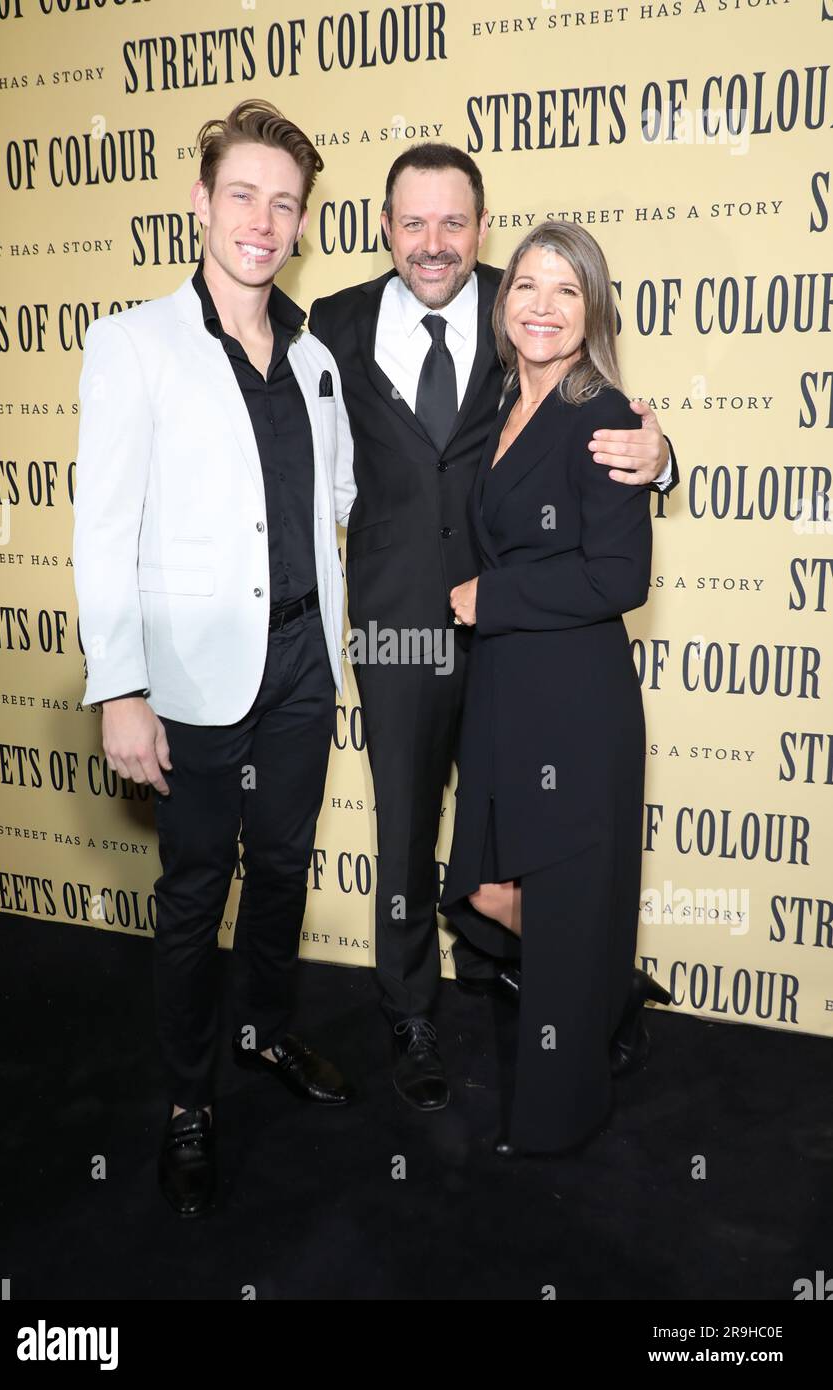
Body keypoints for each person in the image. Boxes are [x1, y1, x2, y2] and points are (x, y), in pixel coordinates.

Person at [308, 145, 677, 1112]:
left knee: (528, 821)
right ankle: (412, 1007)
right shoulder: (332, 324)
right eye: (413, 222)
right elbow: (305, 474)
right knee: (407, 822)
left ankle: (554, 981)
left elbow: (594, 423)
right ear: (384, 225)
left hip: (518, 630)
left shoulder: (518, 312)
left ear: (482, 230)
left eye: (455, 223)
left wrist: (664, 454)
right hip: (400, 623)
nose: (434, 244)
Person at [72, 100, 357, 1218]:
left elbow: (330, 503)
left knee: (281, 870)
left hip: (297, 664)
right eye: (242, 193)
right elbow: (104, 527)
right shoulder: (132, 342)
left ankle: (265, 1035)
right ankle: (189, 1102)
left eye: (284, 203)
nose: (262, 219)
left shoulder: (318, 359)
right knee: (197, 890)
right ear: (200, 201)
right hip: (188, 676)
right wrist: (120, 688)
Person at [441, 220, 672, 1157]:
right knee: (492, 888)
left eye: (566, 291)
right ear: (503, 304)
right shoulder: (503, 399)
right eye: (527, 287)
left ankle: (558, 1116)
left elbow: (620, 578)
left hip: (574, 698)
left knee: (565, 900)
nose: (542, 306)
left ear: (594, 309)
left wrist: (492, 595)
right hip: (505, 685)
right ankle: (605, 995)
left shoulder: (602, 411)